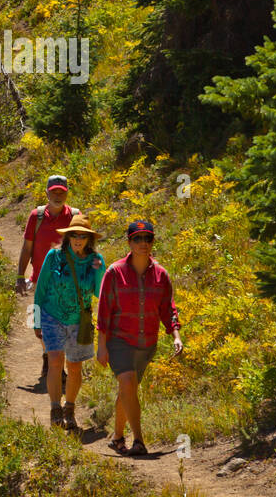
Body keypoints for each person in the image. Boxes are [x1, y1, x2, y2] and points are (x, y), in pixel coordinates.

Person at [96, 219, 182, 457]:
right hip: (119, 340)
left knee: (129, 389)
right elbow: (104, 311)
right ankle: (139, 441)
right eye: (138, 239)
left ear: (153, 241)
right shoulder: (115, 272)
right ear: (129, 242)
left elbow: (168, 308)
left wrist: (176, 335)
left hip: (147, 343)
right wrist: (102, 346)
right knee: (127, 381)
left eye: (148, 238)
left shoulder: (161, 275)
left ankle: (117, 437)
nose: (143, 243)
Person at [32, 214, 105, 430]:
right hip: (51, 315)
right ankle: (55, 409)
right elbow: (41, 289)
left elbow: (101, 292)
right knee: (55, 360)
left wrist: (99, 269)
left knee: (74, 367)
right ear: (68, 236)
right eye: (74, 235)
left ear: (89, 239)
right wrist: (36, 321)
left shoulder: (95, 261)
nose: (78, 239)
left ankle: (69, 409)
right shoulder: (54, 256)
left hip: (78, 320)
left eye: (83, 236)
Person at [15, 175, 79, 383]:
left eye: (61, 192)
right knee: (38, 325)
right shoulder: (37, 216)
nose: (58, 196)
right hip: (39, 281)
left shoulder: (76, 217)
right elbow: (27, 248)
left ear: (67, 193)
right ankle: (47, 355)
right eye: (54, 192)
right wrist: (19, 276)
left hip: (67, 284)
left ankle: (56, 365)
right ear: (47, 193)